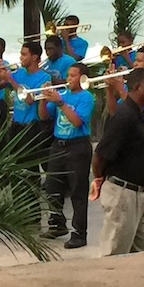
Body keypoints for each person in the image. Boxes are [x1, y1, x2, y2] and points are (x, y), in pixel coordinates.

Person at [90, 67, 144, 256]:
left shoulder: (137, 113)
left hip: (141, 193)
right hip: (123, 193)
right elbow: (100, 155)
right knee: (115, 252)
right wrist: (100, 179)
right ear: (137, 88)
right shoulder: (125, 116)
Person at [106, 46, 144, 247]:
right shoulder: (134, 92)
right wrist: (110, 90)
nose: (134, 64)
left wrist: (121, 89)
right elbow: (117, 113)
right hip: (129, 141)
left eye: (139, 61)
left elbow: (139, 112)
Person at [38, 63, 95, 249]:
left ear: (83, 78)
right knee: (52, 187)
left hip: (77, 146)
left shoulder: (86, 97)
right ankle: (57, 223)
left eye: (72, 75)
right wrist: (43, 99)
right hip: (58, 144)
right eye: (68, 75)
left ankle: (80, 233)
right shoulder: (62, 95)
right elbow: (43, 117)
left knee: (78, 190)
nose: (68, 79)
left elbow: (77, 122)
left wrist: (60, 103)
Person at [0, 42, 52, 179]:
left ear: (34, 57)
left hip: (31, 127)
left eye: (24, 54)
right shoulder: (19, 72)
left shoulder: (44, 77)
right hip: (16, 124)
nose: (20, 57)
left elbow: (30, 100)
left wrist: (11, 80)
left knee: (29, 168)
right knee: (16, 167)